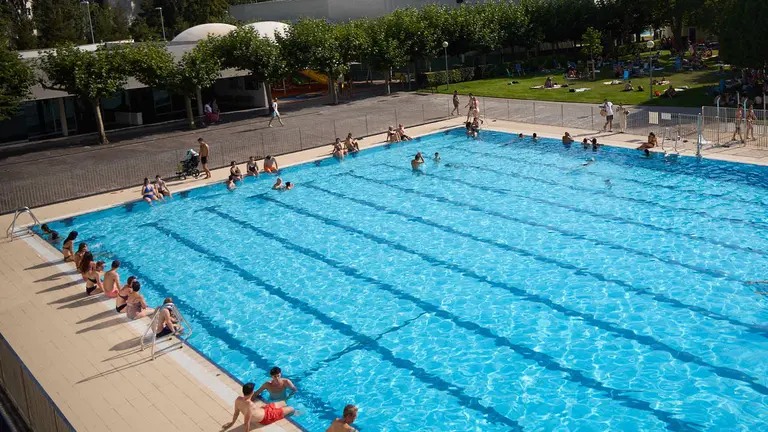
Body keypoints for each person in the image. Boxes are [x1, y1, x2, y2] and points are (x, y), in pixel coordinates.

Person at [222, 382, 294, 431]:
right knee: (291, 408)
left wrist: (232, 423)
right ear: (252, 392)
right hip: (266, 417)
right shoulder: (250, 405)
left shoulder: (238, 399)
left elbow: (236, 413)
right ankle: (293, 413)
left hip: (264, 409)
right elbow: (246, 422)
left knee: (283, 402)